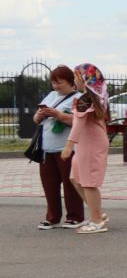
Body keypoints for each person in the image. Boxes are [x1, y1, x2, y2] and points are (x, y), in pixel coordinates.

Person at [33, 65, 83, 230]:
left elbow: (79, 121)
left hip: (68, 148)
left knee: (70, 184)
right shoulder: (50, 95)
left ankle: (75, 217)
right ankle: (52, 217)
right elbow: (36, 119)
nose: (56, 86)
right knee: (49, 184)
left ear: (69, 81)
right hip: (46, 149)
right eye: (53, 82)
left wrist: (58, 115)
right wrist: (39, 115)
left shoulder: (79, 98)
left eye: (59, 82)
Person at [62, 64, 111, 234]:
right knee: (76, 179)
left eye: (76, 77)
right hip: (86, 144)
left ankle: (97, 222)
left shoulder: (85, 100)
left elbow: (78, 124)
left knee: (89, 183)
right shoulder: (95, 97)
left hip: (90, 145)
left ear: (84, 79)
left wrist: (68, 145)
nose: (74, 80)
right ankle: (97, 213)